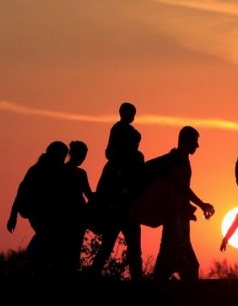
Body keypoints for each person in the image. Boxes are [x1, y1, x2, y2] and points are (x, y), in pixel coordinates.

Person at [89, 102, 145, 280]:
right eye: (130, 113)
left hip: (129, 208)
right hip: (115, 208)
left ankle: (137, 278)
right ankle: (93, 275)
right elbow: (110, 153)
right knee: (108, 244)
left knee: (134, 246)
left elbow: (140, 182)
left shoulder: (136, 159)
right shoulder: (115, 167)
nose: (132, 116)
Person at [152, 126, 215, 282]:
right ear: (186, 140)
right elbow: (182, 188)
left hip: (178, 216)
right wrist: (202, 204)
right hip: (175, 218)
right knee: (189, 265)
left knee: (166, 264)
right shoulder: (178, 159)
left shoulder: (180, 159)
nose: (197, 145)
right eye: (195, 141)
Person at [7, 141, 70, 276]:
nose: (63, 159)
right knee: (47, 238)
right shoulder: (37, 170)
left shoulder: (59, 170)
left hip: (48, 215)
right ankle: (34, 258)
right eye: (62, 156)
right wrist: (13, 215)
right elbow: (21, 191)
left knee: (51, 242)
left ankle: (42, 265)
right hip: (37, 213)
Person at [62, 140, 94, 274]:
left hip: (78, 215)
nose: (83, 158)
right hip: (69, 215)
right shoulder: (66, 171)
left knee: (72, 249)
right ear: (73, 154)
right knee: (70, 249)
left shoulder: (77, 172)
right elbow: (89, 194)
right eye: (82, 155)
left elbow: (88, 194)